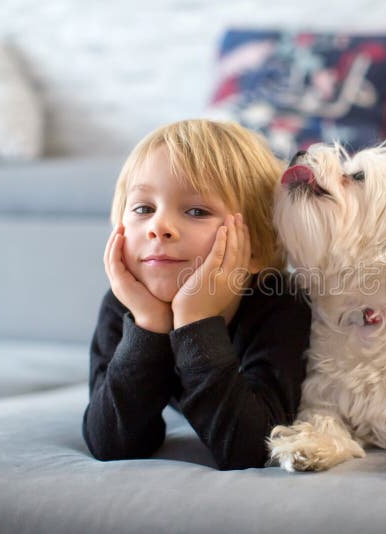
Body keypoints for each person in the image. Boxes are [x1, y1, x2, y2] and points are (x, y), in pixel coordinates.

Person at [82, 119, 311, 470]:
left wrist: (196, 321)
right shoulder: (124, 305)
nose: (159, 227)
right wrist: (148, 327)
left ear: (256, 249)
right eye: (143, 208)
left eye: (196, 211)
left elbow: (251, 449)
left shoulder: (281, 306)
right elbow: (111, 443)